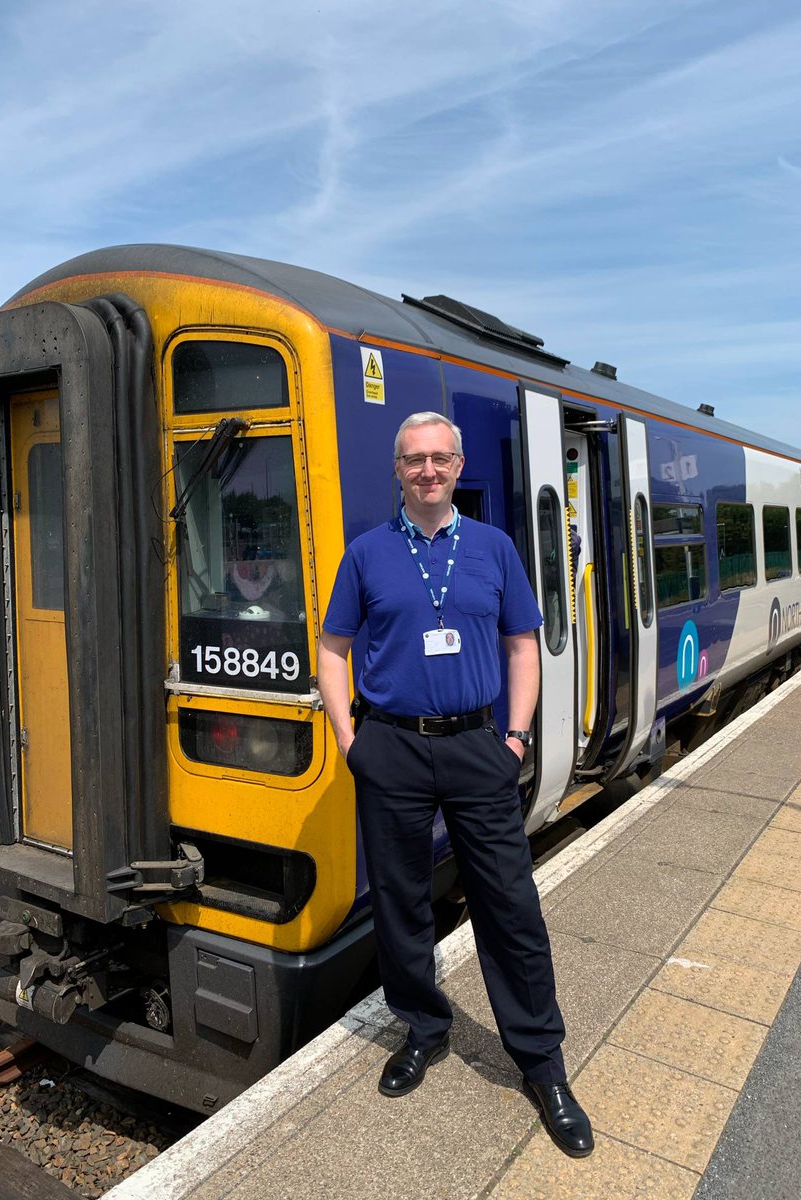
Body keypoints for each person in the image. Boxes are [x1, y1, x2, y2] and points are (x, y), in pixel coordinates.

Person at [316, 411, 593, 1159]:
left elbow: (522, 646)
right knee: (400, 903)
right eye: (415, 460)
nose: (428, 470)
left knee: (510, 903)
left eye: (441, 458)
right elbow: (332, 648)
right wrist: (351, 739)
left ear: (459, 464)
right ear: (398, 470)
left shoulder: (494, 548)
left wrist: (515, 738)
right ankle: (424, 1028)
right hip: (393, 749)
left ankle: (544, 1065)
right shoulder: (368, 554)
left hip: (477, 745)